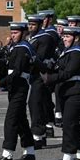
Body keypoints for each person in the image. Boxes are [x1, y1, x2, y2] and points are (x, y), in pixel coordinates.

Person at [42, 26, 80, 160]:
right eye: (63, 36)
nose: (64, 38)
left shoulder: (77, 53)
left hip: (75, 91)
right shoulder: (66, 52)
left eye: (68, 36)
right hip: (66, 91)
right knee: (73, 126)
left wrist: (50, 78)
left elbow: (69, 73)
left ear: (75, 38)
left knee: (69, 125)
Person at [0, 22, 36, 160]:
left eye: (16, 33)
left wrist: (0, 83)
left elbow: (16, 72)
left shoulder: (22, 49)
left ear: (23, 33)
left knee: (11, 121)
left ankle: (7, 155)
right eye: (12, 33)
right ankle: (29, 153)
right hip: (14, 87)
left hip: (19, 87)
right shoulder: (17, 47)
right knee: (21, 121)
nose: (13, 35)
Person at [27, 14, 57, 148]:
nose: (30, 27)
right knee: (39, 104)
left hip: (42, 75)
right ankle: (42, 134)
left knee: (35, 104)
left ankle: (38, 136)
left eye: (33, 25)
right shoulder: (32, 38)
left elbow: (40, 57)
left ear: (39, 25)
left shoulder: (44, 38)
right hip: (35, 75)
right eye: (30, 24)